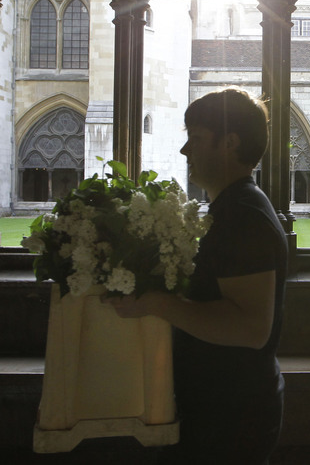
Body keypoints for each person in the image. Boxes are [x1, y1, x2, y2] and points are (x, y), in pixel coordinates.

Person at [109, 87, 288, 465]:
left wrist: (155, 303)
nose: (185, 151)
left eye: (195, 138)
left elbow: (251, 328)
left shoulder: (243, 216)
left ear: (229, 143)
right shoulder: (230, 208)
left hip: (231, 418)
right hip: (219, 408)